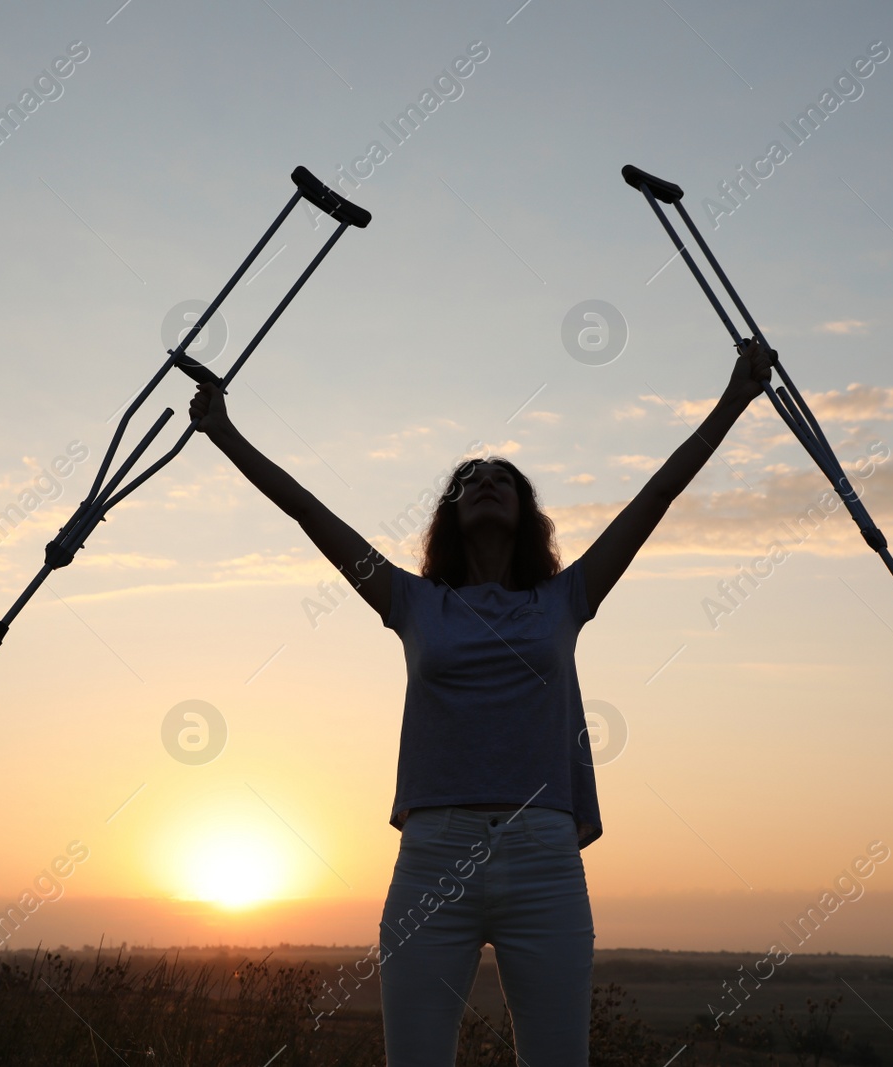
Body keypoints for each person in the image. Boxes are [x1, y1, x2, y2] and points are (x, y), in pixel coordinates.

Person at [189, 337, 774, 1064]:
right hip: (433, 857)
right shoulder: (412, 600)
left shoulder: (565, 598)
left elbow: (657, 495)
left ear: (526, 509)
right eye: (469, 479)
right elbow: (309, 512)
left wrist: (734, 399)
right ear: (449, 513)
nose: (487, 481)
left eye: (504, 477)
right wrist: (224, 433)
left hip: (543, 858)